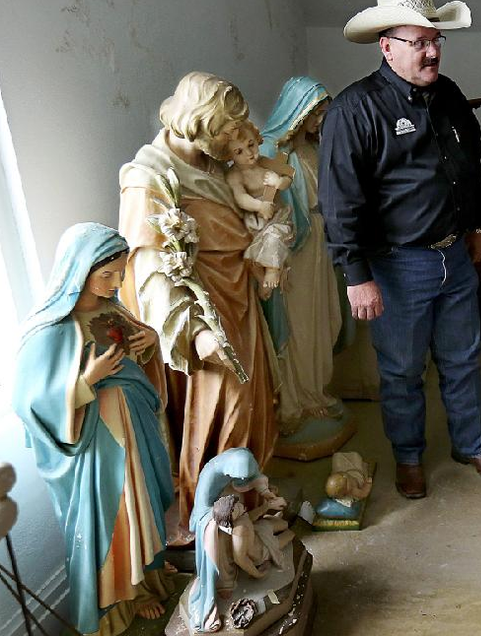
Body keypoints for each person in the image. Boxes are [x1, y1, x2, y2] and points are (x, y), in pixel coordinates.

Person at [318, 0, 481, 499]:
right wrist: (356, 276)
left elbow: (467, 168)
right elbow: (340, 201)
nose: (432, 51)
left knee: (462, 360)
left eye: (436, 40)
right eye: (419, 42)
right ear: (387, 46)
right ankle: (408, 456)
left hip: (454, 252)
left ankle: (471, 446)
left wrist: (480, 226)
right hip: (396, 265)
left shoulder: (447, 93)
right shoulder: (353, 110)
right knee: (402, 371)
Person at [119, 71, 279, 529]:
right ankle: (215, 519)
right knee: (222, 408)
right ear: (201, 122)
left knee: (254, 405)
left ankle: (249, 502)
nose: (234, 141)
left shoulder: (214, 164)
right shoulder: (148, 178)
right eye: (227, 130)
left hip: (240, 297)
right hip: (204, 312)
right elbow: (148, 272)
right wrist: (196, 332)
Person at [12, 223, 174, 636]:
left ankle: (147, 574)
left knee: (142, 505)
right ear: (79, 270)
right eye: (108, 275)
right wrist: (86, 381)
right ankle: (124, 595)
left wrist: (149, 340)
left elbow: (137, 354)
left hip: (134, 429)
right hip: (98, 443)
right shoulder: (50, 331)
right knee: (116, 515)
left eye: (120, 273)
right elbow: (30, 402)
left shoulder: (112, 309)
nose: (116, 283)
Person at [259, 77, 346, 441]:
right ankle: (297, 400)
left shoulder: (313, 148)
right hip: (294, 249)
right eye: (315, 112)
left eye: (323, 112)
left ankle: (317, 390)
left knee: (324, 320)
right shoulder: (272, 151)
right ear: (297, 113)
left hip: (319, 245)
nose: (319, 119)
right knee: (300, 328)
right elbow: (265, 208)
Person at [188, 448, 287, 633]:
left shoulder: (240, 459)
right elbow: (203, 512)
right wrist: (223, 517)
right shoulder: (210, 478)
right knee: (219, 547)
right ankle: (222, 583)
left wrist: (266, 497)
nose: (244, 483)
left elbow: (253, 480)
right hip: (212, 518)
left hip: (234, 517)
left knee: (277, 527)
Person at [224, 119, 295, 295]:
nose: (249, 153)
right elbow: (240, 197)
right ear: (229, 155)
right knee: (251, 254)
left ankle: (273, 270)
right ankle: (262, 281)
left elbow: (288, 175)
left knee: (275, 236)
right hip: (255, 221)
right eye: (239, 151)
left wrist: (279, 182)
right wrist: (259, 205)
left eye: (251, 145)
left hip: (277, 216)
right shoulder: (235, 175)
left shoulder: (265, 162)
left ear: (257, 140)